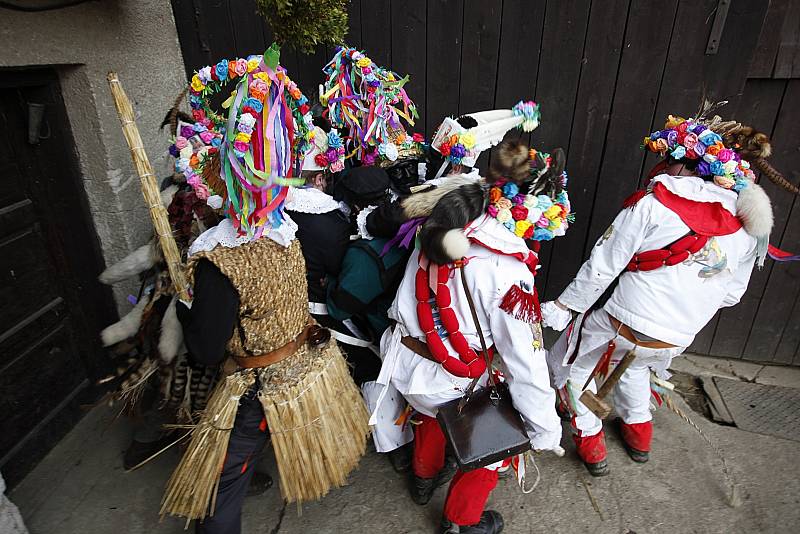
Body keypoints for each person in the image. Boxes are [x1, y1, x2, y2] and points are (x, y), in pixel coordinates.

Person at [161, 49, 369, 534]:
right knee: (251, 447)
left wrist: (189, 308)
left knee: (221, 483)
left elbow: (208, 350)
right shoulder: (285, 231)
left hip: (258, 383)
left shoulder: (220, 259)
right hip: (302, 362)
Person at [541, 110, 796, 477]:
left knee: (573, 359)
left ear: (685, 162)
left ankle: (590, 441)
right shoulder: (747, 226)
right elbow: (732, 295)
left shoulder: (652, 202)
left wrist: (565, 306)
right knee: (637, 365)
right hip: (675, 338)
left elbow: (603, 265)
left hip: (622, 322)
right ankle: (639, 433)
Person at [370, 102, 566, 534]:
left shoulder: (448, 210)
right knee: (492, 444)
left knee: (431, 414)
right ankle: (461, 523)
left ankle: (423, 478)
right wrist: (544, 428)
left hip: (404, 361)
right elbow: (526, 362)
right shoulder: (509, 271)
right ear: (533, 210)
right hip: (449, 378)